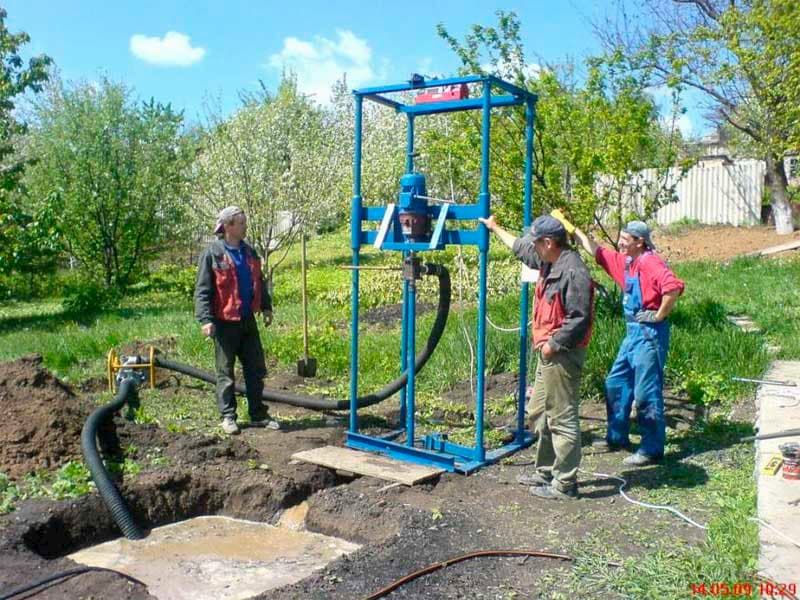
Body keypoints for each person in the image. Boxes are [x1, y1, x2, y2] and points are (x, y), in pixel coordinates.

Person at [479, 214, 594, 500]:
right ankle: (545, 470)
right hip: (549, 352)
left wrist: (552, 344)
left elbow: (579, 318)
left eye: (537, 243)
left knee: (561, 417)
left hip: (562, 354)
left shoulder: (573, 272)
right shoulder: (548, 259)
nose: (534, 248)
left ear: (549, 242)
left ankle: (565, 484)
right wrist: (495, 228)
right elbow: (520, 248)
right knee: (540, 412)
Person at [571, 220, 684, 466]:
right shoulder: (628, 262)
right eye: (621, 237)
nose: (620, 242)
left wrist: (659, 315)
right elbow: (599, 252)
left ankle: (651, 449)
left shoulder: (650, 262)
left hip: (649, 335)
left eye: (625, 238)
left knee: (645, 392)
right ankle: (617, 436)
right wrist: (574, 231)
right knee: (616, 382)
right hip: (632, 333)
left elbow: (672, 288)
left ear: (639, 241)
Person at [194, 206, 277, 435]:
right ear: (228, 226)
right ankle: (228, 417)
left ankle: (258, 414)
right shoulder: (213, 254)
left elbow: (259, 280)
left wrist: (266, 306)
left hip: (247, 320)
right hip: (224, 323)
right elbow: (202, 290)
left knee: (255, 369)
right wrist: (205, 319)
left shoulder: (249, 252)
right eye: (241, 223)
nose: (245, 226)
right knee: (225, 372)